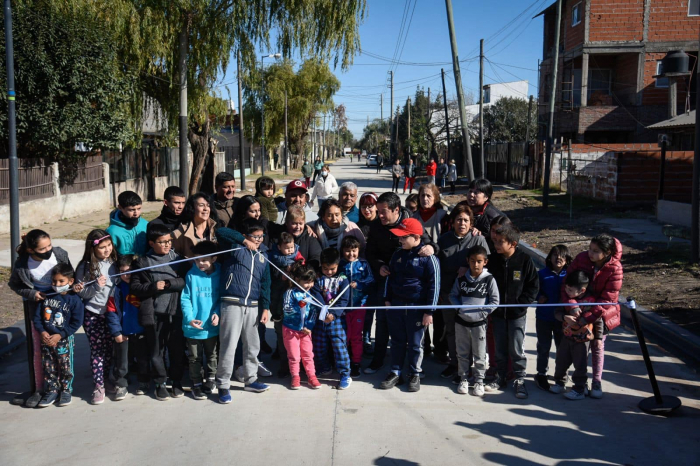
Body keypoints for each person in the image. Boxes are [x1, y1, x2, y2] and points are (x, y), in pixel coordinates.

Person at [363, 192, 439, 375]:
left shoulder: (411, 222)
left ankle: (418, 362)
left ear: (396, 210)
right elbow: (370, 253)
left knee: (415, 324)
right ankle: (378, 360)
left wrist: (432, 248)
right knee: (382, 321)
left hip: (412, 283)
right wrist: (379, 265)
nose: (379, 215)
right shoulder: (375, 226)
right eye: (378, 211)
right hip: (387, 280)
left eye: (383, 211)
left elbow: (429, 244)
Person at [9, 229, 72, 408]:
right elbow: (14, 284)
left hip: (61, 309)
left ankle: (65, 387)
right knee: (40, 351)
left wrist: (68, 290)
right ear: (31, 250)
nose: (48, 251)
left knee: (63, 352)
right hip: (39, 311)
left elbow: (69, 275)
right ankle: (43, 388)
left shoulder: (60, 254)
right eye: (43, 249)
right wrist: (32, 293)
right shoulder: (22, 265)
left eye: (49, 245)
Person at [214, 219, 272, 403]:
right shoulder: (233, 247)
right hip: (231, 302)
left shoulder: (264, 255)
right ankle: (223, 384)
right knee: (229, 344)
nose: (258, 240)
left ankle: (251, 379)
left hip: (253, 306)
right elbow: (221, 232)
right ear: (246, 235)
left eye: (261, 236)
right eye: (254, 237)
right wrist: (243, 241)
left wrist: (266, 307)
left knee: (253, 345)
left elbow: (266, 284)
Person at [560, 234, 623, 399]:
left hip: (600, 314)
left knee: (597, 346)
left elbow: (608, 299)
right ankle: (579, 382)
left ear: (607, 252)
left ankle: (596, 380)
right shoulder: (581, 259)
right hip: (577, 312)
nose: (590, 253)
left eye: (595, 251)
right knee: (578, 348)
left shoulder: (615, 269)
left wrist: (587, 317)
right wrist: (572, 306)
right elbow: (567, 284)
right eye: (590, 248)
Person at [380, 218, 440, 393]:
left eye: (403, 237)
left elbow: (434, 286)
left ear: (416, 237)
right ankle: (395, 371)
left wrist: (429, 311)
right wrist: (387, 299)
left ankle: (415, 373)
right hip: (396, 305)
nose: (400, 240)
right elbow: (389, 279)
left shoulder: (429, 259)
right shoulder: (397, 254)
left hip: (417, 308)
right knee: (397, 341)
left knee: (415, 344)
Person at [130, 224, 186, 401]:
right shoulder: (142, 262)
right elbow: (135, 286)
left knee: (176, 350)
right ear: (151, 243)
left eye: (169, 241)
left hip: (175, 313)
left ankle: (176, 381)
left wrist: (170, 284)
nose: (167, 245)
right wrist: (153, 287)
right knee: (156, 350)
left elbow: (185, 280)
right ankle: (161, 383)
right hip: (154, 314)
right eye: (162, 242)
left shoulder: (178, 259)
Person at [484, 223, 539, 399]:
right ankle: (500, 376)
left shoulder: (524, 260)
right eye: (496, 241)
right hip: (498, 314)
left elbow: (533, 286)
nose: (496, 245)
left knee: (516, 348)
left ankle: (520, 379)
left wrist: (521, 305)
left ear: (513, 244)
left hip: (517, 315)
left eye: (501, 242)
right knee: (499, 347)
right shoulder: (492, 261)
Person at [437, 204, 490, 383]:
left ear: (471, 223)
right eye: (459, 219)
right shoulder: (444, 240)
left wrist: (467, 268)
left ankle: (472, 367)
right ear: (452, 222)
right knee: (452, 331)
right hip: (448, 295)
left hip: (472, 297)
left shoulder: (478, 240)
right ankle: (456, 364)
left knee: (473, 333)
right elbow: (438, 267)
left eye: (466, 220)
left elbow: (486, 267)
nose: (462, 223)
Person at [270, 207, 322, 377]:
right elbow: (272, 265)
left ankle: (305, 367)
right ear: (287, 223)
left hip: (303, 293)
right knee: (283, 331)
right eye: (293, 223)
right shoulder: (280, 240)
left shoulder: (310, 239)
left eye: (300, 223)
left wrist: (301, 273)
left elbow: (315, 260)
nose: (297, 226)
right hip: (283, 293)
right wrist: (282, 274)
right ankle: (286, 364)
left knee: (303, 331)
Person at [75, 229, 119, 405]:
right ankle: (98, 385)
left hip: (111, 314)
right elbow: (81, 293)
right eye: (102, 247)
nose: (107, 250)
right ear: (92, 249)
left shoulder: (114, 262)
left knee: (109, 349)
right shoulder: (85, 267)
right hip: (93, 314)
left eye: (109, 245)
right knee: (97, 350)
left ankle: (107, 379)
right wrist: (95, 287)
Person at [449, 245, 499, 397]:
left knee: (479, 354)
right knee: (462, 352)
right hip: (461, 322)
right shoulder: (462, 279)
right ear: (467, 261)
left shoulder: (489, 279)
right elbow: (453, 296)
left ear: (485, 262)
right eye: (472, 261)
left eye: (479, 261)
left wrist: (482, 313)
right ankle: (464, 378)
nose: (475, 265)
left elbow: (495, 301)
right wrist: (459, 309)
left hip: (479, 324)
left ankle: (479, 381)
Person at [32, 263, 84, 408]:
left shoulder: (74, 299)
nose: (57, 284)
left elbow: (76, 322)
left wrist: (61, 335)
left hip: (63, 340)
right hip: (46, 339)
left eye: (61, 281)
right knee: (49, 366)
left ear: (71, 281)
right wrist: (42, 332)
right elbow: (37, 317)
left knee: (65, 366)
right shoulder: (46, 296)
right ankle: (52, 390)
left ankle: (66, 390)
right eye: (54, 281)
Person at [181, 241, 221, 401]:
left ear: (214, 259)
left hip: (211, 326)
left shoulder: (220, 274)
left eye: (204, 260)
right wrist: (189, 319)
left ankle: (211, 379)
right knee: (194, 357)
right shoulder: (191, 275)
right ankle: (196, 383)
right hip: (193, 327)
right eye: (197, 260)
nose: (200, 263)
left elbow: (220, 299)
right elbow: (185, 299)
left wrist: (218, 314)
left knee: (212, 355)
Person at [106, 254, 149, 401]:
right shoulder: (117, 289)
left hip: (142, 331)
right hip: (123, 333)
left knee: (143, 359)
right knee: (122, 362)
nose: (126, 275)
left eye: (130, 271)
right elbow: (111, 311)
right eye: (123, 272)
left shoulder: (143, 286)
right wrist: (116, 332)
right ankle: (121, 384)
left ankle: (143, 382)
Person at [551, 271, 598, 400]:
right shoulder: (566, 299)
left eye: (570, 289)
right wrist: (564, 317)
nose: (566, 291)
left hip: (582, 340)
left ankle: (579, 388)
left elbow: (596, 316)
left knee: (580, 364)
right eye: (566, 288)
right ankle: (560, 382)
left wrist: (583, 320)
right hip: (566, 337)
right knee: (561, 360)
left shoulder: (591, 302)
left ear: (582, 290)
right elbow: (557, 312)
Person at [312, 248, 352, 390]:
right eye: (325, 268)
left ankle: (345, 374)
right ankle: (324, 367)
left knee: (339, 347)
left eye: (332, 269)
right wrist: (323, 313)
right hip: (320, 319)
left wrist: (333, 314)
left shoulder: (343, 279)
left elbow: (344, 300)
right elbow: (315, 296)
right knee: (318, 346)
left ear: (337, 264)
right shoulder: (317, 279)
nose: (328, 272)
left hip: (336, 320)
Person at [534, 245, 572, 392]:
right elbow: (534, 289)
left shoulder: (569, 275)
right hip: (544, 317)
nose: (559, 258)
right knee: (543, 346)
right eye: (555, 254)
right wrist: (539, 297)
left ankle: (561, 374)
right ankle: (541, 373)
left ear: (567, 259)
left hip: (562, 319)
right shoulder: (542, 274)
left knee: (561, 348)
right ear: (549, 257)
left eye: (562, 255)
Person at [281, 262, 323, 390]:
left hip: (306, 332)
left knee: (308, 354)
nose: (310, 285)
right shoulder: (290, 292)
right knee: (294, 355)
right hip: (291, 330)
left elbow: (314, 312)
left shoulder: (311, 293)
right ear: (297, 279)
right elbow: (287, 308)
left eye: (311, 282)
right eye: (306, 282)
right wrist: (300, 307)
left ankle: (311, 376)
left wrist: (309, 326)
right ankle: (295, 376)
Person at [339, 236, 374, 378]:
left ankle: (356, 362)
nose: (351, 254)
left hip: (359, 306)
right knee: (344, 336)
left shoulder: (364, 264)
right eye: (347, 251)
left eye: (354, 251)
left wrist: (359, 284)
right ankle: (344, 361)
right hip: (343, 307)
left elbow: (371, 280)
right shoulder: (340, 264)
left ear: (359, 250)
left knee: (356, 336)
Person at [171, 193, 217, 258]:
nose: (206, 208)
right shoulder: (179, 234)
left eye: (208, 205)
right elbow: (171, 258)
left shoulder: (216, 229)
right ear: (192, 208)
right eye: (201, 205)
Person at [106, 190, 149, 256]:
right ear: (120, 207)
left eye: (139, 208)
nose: (136, 213)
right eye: (131, 210)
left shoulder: (145, 224)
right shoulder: (112, 231)